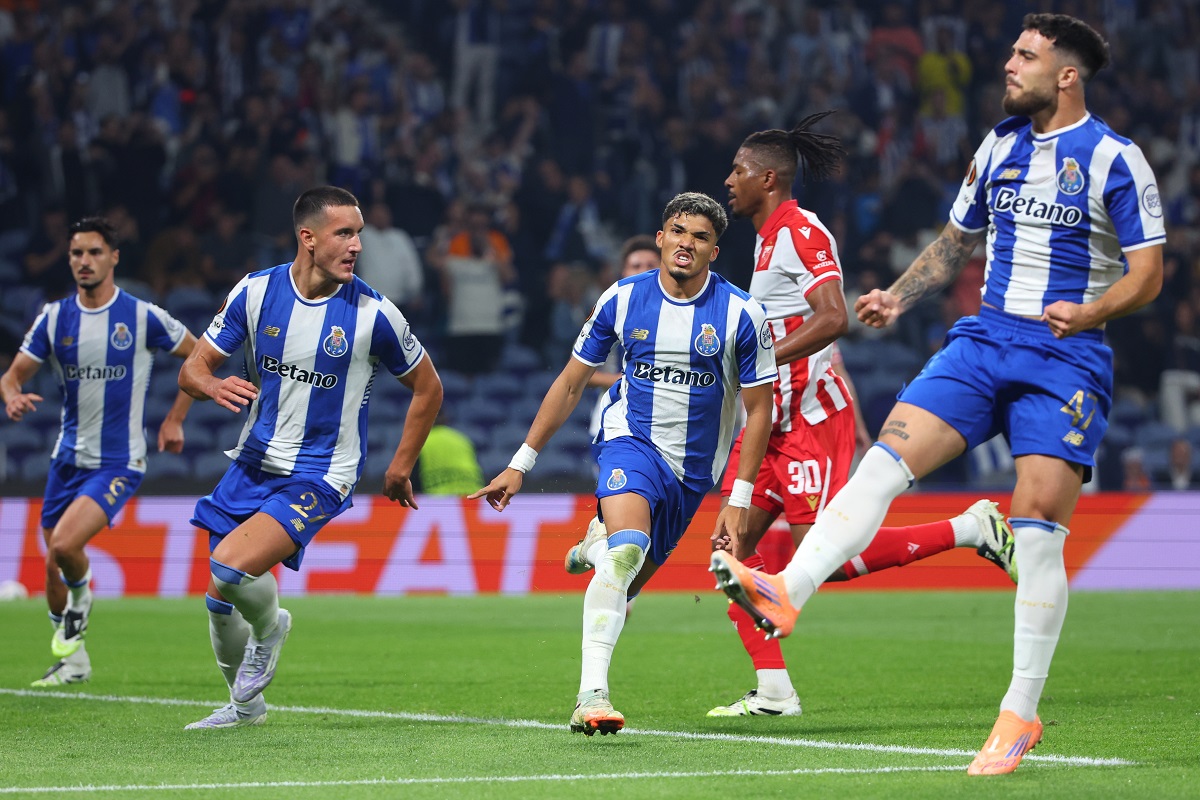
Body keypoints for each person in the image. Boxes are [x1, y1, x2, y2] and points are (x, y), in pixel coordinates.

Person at [712, 14, 1164, 776]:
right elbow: (959, 240)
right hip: (984, 339)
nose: (1009, 65)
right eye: (1013, 51)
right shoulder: (998, 146)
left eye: (1026, 56)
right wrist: (898, 295)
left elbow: (1148, 273)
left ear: (1067, 74)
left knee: (1040, 523)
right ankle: (787, 589)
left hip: (1066, 356)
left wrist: (1091, 311)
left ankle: (1019, 713)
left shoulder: (1118, 160)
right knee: (886, 460)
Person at [707, 114, 1018, 718]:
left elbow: (833, 317)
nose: (729, 180)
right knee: (732, 555)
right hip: (773, 423)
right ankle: (774, 691)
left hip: (813, 423)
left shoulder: (800, 230)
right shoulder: (767, 240)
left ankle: (969, 529)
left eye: (738, 171)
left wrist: (759, 355)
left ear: (768, 178)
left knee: (826, 558)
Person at [470, 192, 778, 735]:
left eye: (700, 237)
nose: (686, 243)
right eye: (678, 231)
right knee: (628, 551)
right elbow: (570, 382)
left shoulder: (742, 315)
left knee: (625, 579)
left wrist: (738, 499)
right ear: (660, 237)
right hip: (629, 441)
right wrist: (522, 462)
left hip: (693, 474)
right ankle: (592, 697)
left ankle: (595, 544)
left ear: (715, 250)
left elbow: (759, 413)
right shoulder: (621, 299)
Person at [178, 186, 442, 730]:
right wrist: (210, 384)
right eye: (345, 233)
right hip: (252, 460)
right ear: (308, 238)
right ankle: (245, 706)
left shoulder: (373, 313)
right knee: (217, 596)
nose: (357, 245)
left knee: (229, 568)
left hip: (321, 473)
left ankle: (272, 631)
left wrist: (398, 466)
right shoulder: (255, 292)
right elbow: (193, 368)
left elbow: (429, 387)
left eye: (359, 233)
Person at [1, 216, 197, 687]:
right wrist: (11, 395)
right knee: (52, 561)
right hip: (66, 459)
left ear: (113, 257)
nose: (83, 261)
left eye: (93, 252)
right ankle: (74, 660)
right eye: (76, 254)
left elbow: (200, 357)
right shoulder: (54, 318)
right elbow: (12, 375)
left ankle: (82, 597)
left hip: (118, 461)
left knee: (66, 547)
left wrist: (175, 418)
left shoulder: (141, 316)